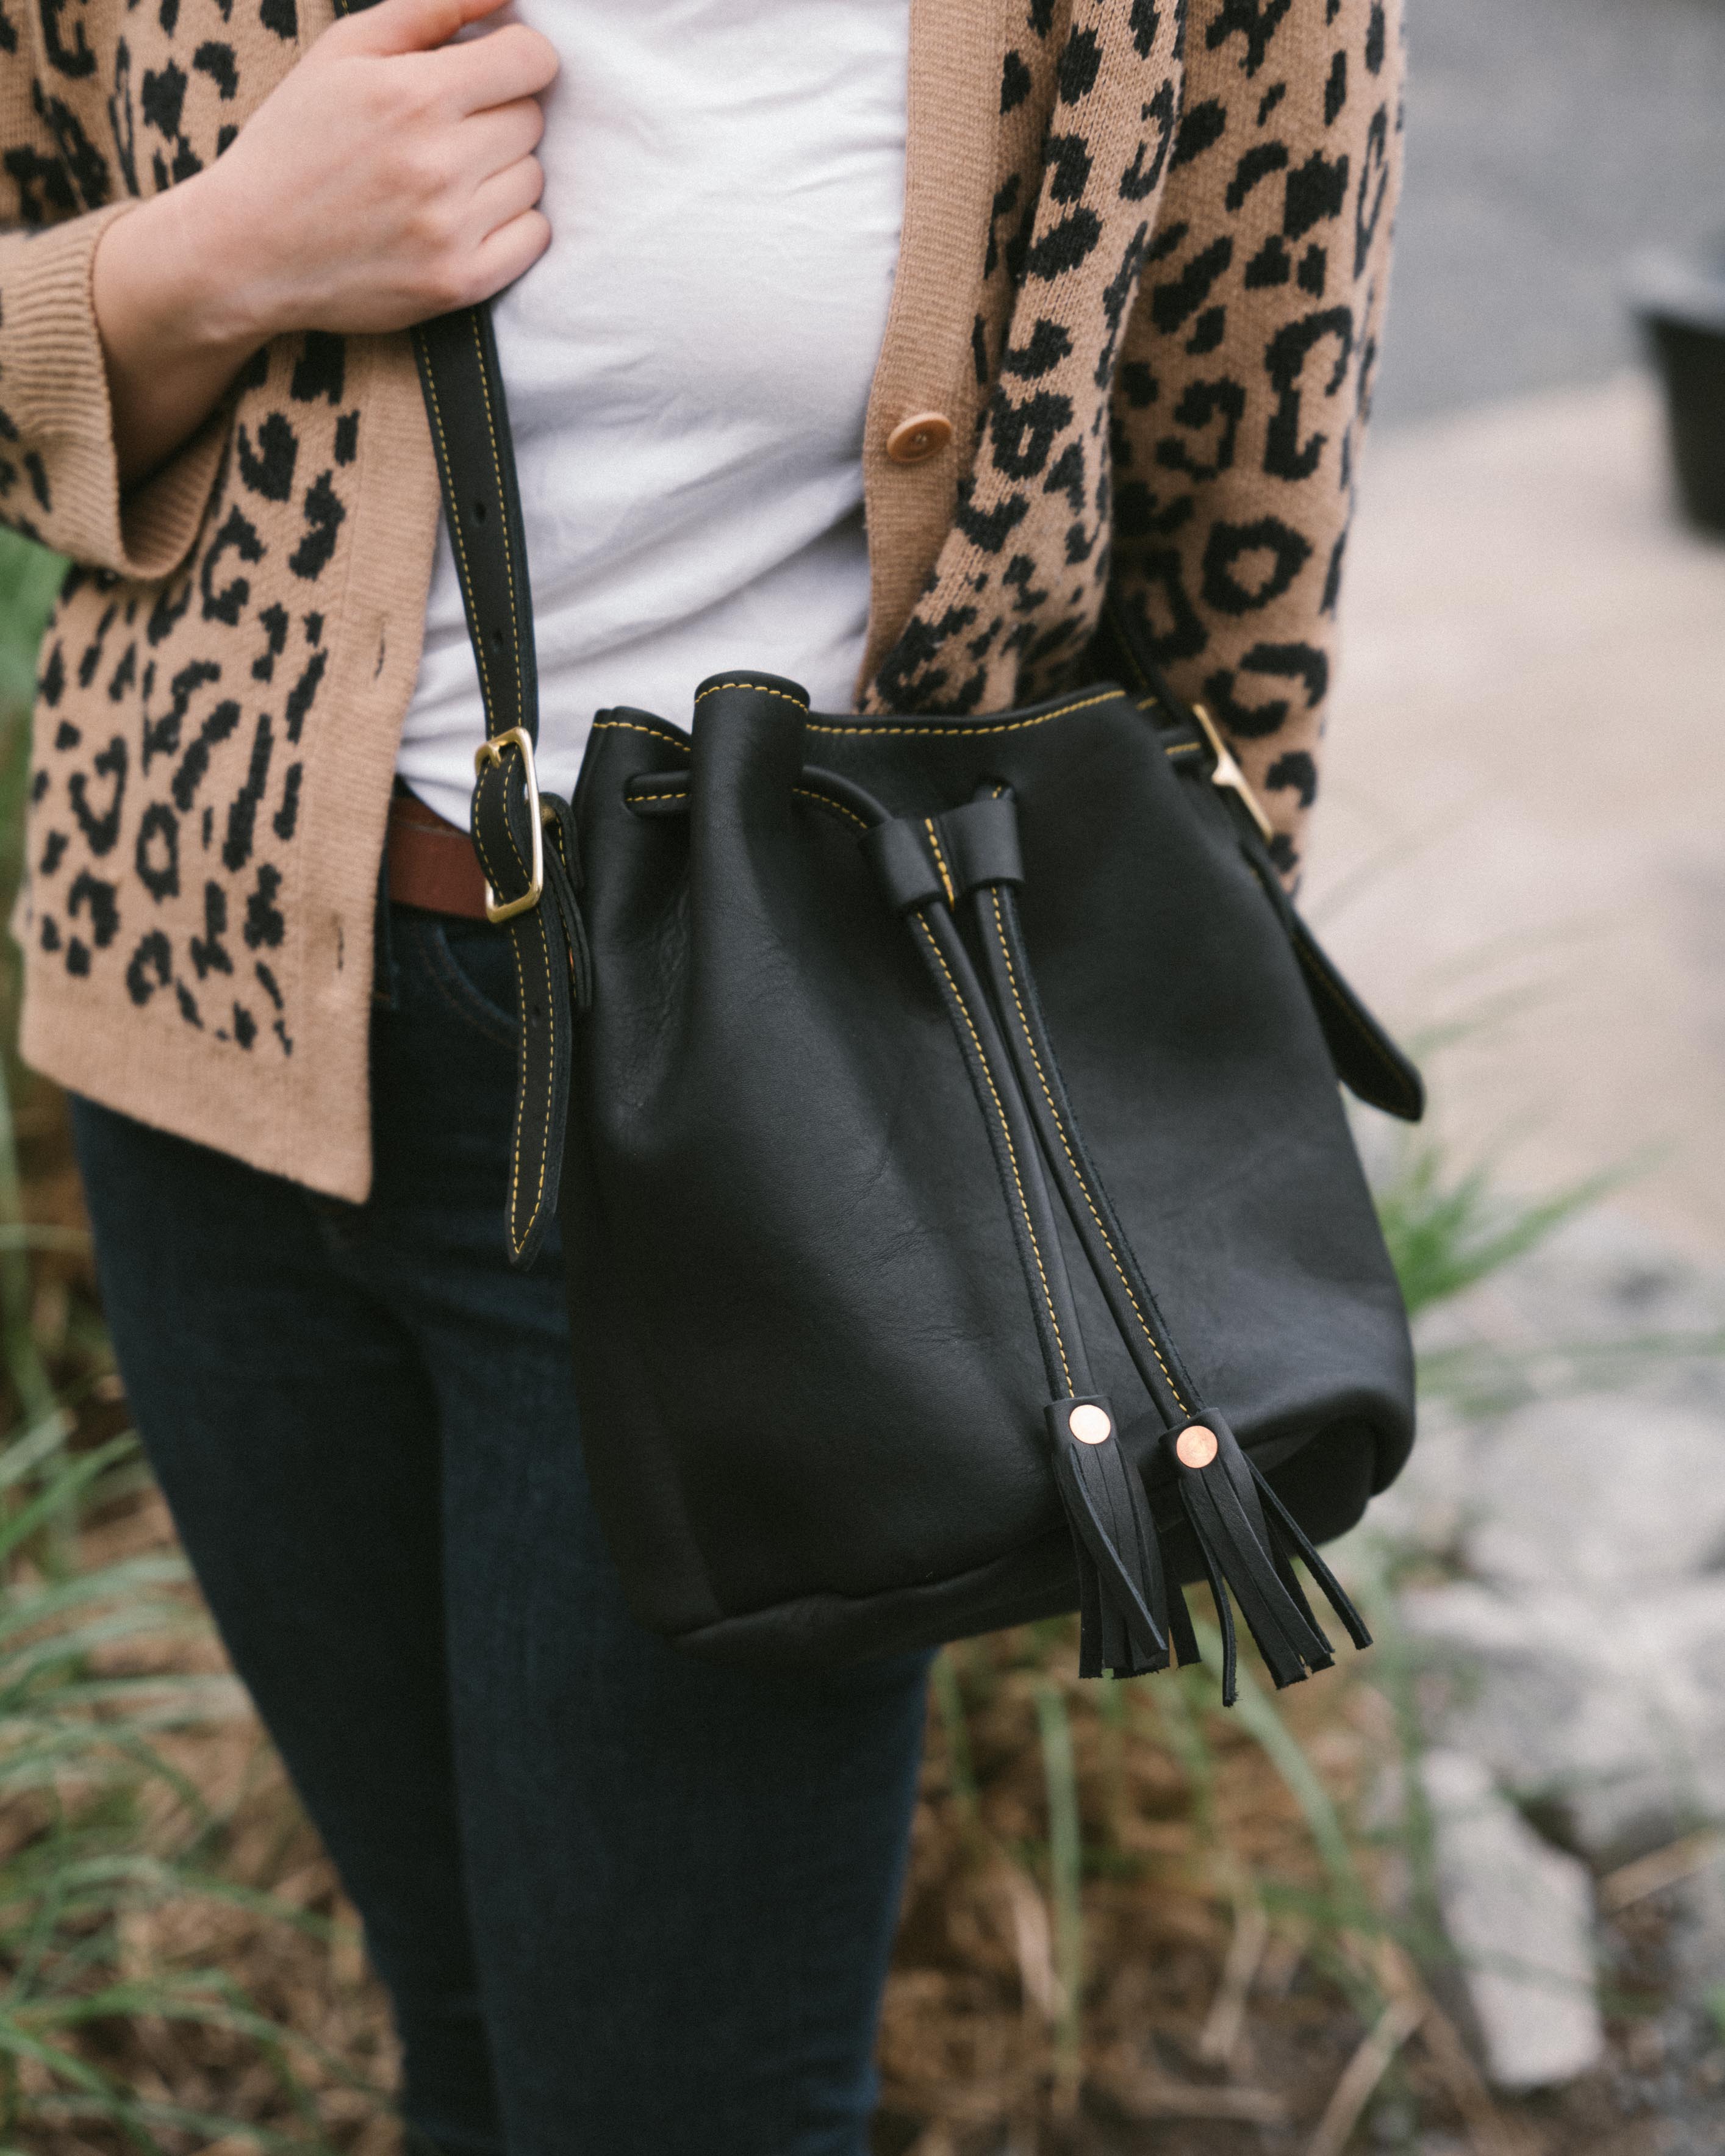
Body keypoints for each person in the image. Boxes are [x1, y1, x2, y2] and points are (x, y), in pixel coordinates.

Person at [0, 0, 1404, 2146]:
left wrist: (1097, 1096)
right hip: (207, 1039)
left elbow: (1247, 527)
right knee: (461, 2013)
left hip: (762, 1114)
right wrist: (219, 256)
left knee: (683, 2104)